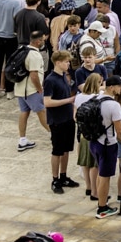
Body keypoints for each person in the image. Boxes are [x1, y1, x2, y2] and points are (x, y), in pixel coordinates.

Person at [90, 74, 121, 217]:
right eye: (119, 86)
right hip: (108, 144)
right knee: (105, 176)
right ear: (112, 87)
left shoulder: (95, 98)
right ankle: (102, 208)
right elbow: (120, 130)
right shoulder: (114, 105)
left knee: (101, 172)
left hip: (94, 141)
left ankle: (101, 200)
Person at [41, 49, 78, 194]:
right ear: (58, 63)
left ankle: (63, 175)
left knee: (67, 149)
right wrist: (69, 100)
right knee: (57, 150)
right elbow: (47, 102)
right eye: (66, 61)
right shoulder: (50, 80)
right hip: (57, 120)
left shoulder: (63, 75)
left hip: (68, 118)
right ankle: (55, 178)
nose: (68, 64)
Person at [15, 26, 49, 151]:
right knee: (41, 111)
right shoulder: (34, 55)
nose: (44, 42)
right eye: (43, 40)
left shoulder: (22, 49)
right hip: (31, 90)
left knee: (24, 112)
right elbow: (34, 75)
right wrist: (40, 89)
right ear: (38, 41)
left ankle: (22, 139)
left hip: (20, 89)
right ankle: (53, 134)